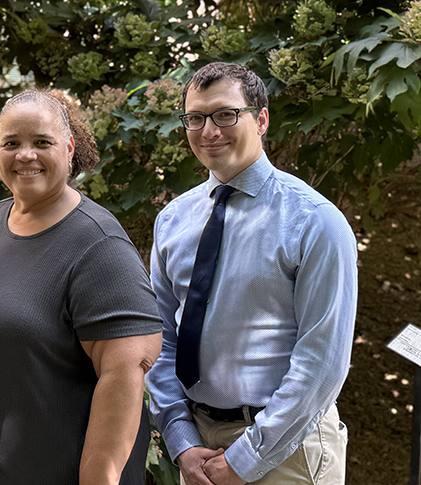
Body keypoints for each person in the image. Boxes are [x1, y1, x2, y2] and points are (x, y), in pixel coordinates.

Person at [0, 89, 163, 485]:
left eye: (42, 142)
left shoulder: (98, 245)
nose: (25, 155)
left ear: (70, 148)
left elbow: (125, 375)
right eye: (11, 143)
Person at [147, 61, 357, 485]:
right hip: (199, 448)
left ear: (261, 120)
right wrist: (180, 436)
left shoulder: (315, 221)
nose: (209, 131)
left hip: (289, 450)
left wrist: (247, 456)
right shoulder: (172, 221)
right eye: (195, 117)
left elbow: (323, 362)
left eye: (226, 114)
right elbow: (160, 338)